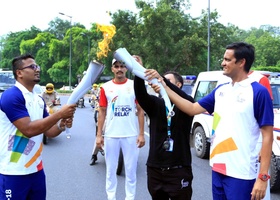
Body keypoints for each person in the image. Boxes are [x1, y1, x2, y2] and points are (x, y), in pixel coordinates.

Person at [148, 42, 274, 200]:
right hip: (218, 167)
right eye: (223, 59)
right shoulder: (221, 90)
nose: (223, 63)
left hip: (241, 172)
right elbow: (192, 108)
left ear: (241, 62)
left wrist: (262, 178)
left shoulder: (258, 92)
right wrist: (164, 86)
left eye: (227, 60)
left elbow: (268, 135)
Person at [0, 53, 76, 200]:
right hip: (13, 171)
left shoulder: (38, 99)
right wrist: (59, 114)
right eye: (32, 66)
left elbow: (49, 132)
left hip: (36, 170)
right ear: (19, 73)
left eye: (37, 66)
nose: (37, 69)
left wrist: (61, 125)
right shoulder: (11, 96)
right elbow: (28, 129)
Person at [133, 55, 194, 200]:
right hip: (155, 170)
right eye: (158, 80)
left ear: (178, 85)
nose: (158, 83)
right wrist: (138, 71)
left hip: (178, 170)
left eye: (167, 80)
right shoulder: (156, 104)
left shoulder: (187, 106)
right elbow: (141, 95)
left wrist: (163, 81)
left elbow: (189, 101)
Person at [96, 58, 145, 200]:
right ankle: (111, 197)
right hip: (111, 134)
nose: (119, 69)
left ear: (126, 69)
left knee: (131, 171)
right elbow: (102, 111)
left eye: (122, 66)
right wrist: (99, 135)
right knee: (110, 171)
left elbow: (140, 110)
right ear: (112, 69)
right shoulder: (105, 87)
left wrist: (141, 134)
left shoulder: (134, 85)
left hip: (130, 134)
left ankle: (130, 198)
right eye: (116, 66)